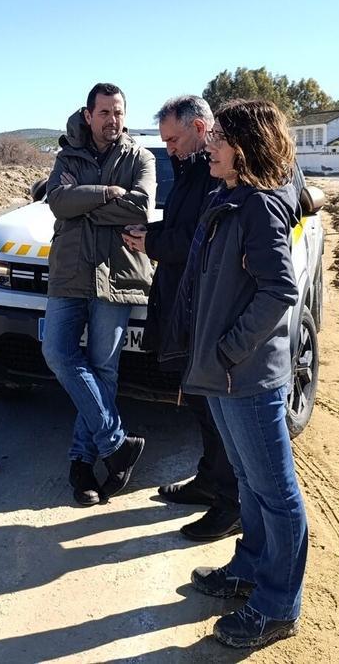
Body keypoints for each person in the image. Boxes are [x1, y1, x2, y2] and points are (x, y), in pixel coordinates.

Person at [170, 99, 308, 649]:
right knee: (250, 483)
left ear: (246, 146)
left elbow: (279, 290)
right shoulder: (230, 196)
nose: (210, 145)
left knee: (276, 493)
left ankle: (277, 605)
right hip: (222, 373)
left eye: (220, 137)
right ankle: (250, 568)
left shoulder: (259, 207)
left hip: (246, 377)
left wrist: (229, 351)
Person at [120, 95, 240, 541]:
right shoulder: (194, 171)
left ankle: (231, 504)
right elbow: (180, 228)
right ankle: (210, 480)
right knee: (196, 399)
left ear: (200, 127)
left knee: (215, 410)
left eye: (173, 138)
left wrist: (149, 245)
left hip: (205, 311)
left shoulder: (220, 176)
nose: (168, 148)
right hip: (181, 303)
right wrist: (149, 234)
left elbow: (198, 242)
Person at [42, 83, 155, 507]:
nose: (113, 120)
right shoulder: (66, 156)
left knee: (103, 369)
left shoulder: (140, 157)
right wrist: (109, 194)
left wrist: (82, 201)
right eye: (105, 112)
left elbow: (141, 207)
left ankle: (82, 464)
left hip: (118, 275)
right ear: (88, 115)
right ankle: (117, 442)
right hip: (69, 275)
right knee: (57, 354)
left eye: (119, 112)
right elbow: (57, 203)